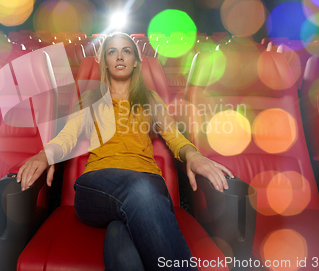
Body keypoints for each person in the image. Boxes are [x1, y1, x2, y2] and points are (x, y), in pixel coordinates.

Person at [17, 33, 233, 270]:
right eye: (112, 52)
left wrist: (194, 155)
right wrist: (44, 154)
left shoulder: (151, 99)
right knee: (140, 190)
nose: (119, 57)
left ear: (136, 61)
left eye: (126, 51)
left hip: (149, 188)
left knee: (122, 243)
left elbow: (173, 135)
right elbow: (67, 137)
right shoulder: (90, 99)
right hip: (96, 187)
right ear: (105, 61)